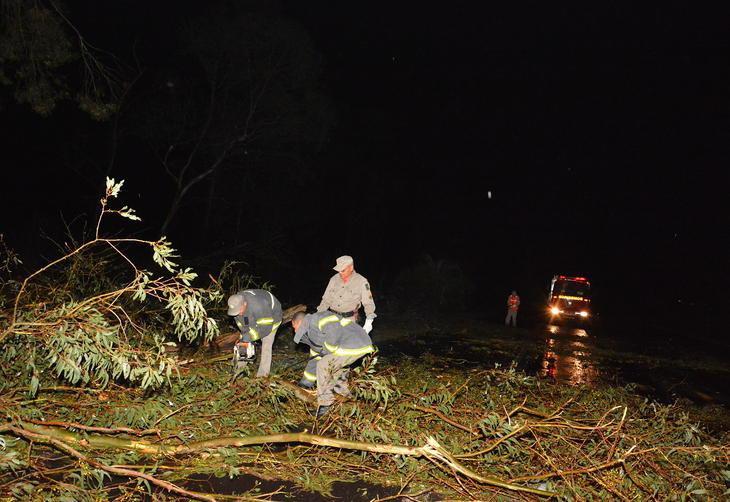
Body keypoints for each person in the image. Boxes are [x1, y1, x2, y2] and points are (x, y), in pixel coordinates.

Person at [292, 310, 374, 417]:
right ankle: (346, 400)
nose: (294, 331)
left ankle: (325, 404)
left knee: (324, 364)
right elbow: (313, 359)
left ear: (297, 322)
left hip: (354, 343)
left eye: (293, 328)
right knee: (336, 369)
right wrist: (305, 382)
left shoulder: (318, 318)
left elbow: (333, 331)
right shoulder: (311, 334)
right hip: (353, 345)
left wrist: (327, 350)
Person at [227, 289, 282, 377]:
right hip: (254, 314)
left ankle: (262, 376)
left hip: (272, 316)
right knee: (244, 342)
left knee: (266, 343)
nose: (238, 313)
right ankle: (239, 371)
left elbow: (265, 329)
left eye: (239, 310)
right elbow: (242, 325)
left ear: (245, 304)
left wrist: (250, 337)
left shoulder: (258, 305)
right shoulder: (237, 305)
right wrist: (245, 338)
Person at [317, 255, 376, 334]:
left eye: (343, 270)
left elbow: (368, 303)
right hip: (332, 319)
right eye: (339, 270)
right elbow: (326, 300)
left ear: (351, 267)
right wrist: (318, 315)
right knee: (331, 345)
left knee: (348, 345)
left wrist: (369, 322)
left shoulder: (361, 282)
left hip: (350, 321)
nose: (340, 273)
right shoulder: (334, 279)